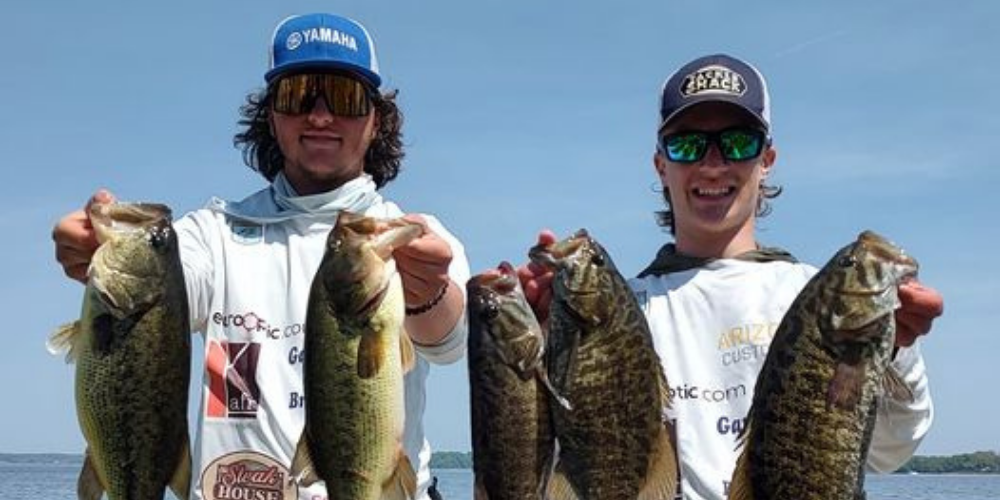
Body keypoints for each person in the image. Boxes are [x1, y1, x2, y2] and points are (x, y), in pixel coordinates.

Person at [52, 13, 466, 500]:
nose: (320, 116)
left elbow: (447, 342)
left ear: (376, 121)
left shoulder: (416, 237)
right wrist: (96, 254)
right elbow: (159, 289)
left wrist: (427, 293)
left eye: (345, 97)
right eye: (297, 95)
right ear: (271, 116)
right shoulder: (213, 233)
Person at [518, 53, 944, 500]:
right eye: (687, 145)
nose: (713, 164)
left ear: (767, 159)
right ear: (661, 165)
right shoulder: (620, 312)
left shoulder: (817, 297)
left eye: (739, 143)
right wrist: (539, 347)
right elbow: (567, 459)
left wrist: (895, 350)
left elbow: (891, 449)